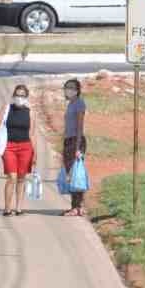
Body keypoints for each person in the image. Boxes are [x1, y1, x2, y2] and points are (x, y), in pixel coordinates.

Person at [0, 83, 37, 216]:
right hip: (9, 147)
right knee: (12, 176)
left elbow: (32, 134)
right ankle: (7, 208)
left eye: (22, 95)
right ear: (13, 95)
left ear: (26, 97)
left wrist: (35, 154)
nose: (19, 97)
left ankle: (19, 208)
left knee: (22, 178)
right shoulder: (6, 108)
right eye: (17, 95)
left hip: (25, 147)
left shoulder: (30, 112)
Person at [61, 78, 89, 217]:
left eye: (72, 87)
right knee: (71, 174)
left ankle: (76, 207)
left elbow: (80, 127)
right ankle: (77, 205)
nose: (68, 90)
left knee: (75, 174)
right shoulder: (71, 104)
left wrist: (78, 148)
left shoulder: (79, 104)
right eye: (66, 87)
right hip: (68, 141)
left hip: (76, 141)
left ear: (77, 90)